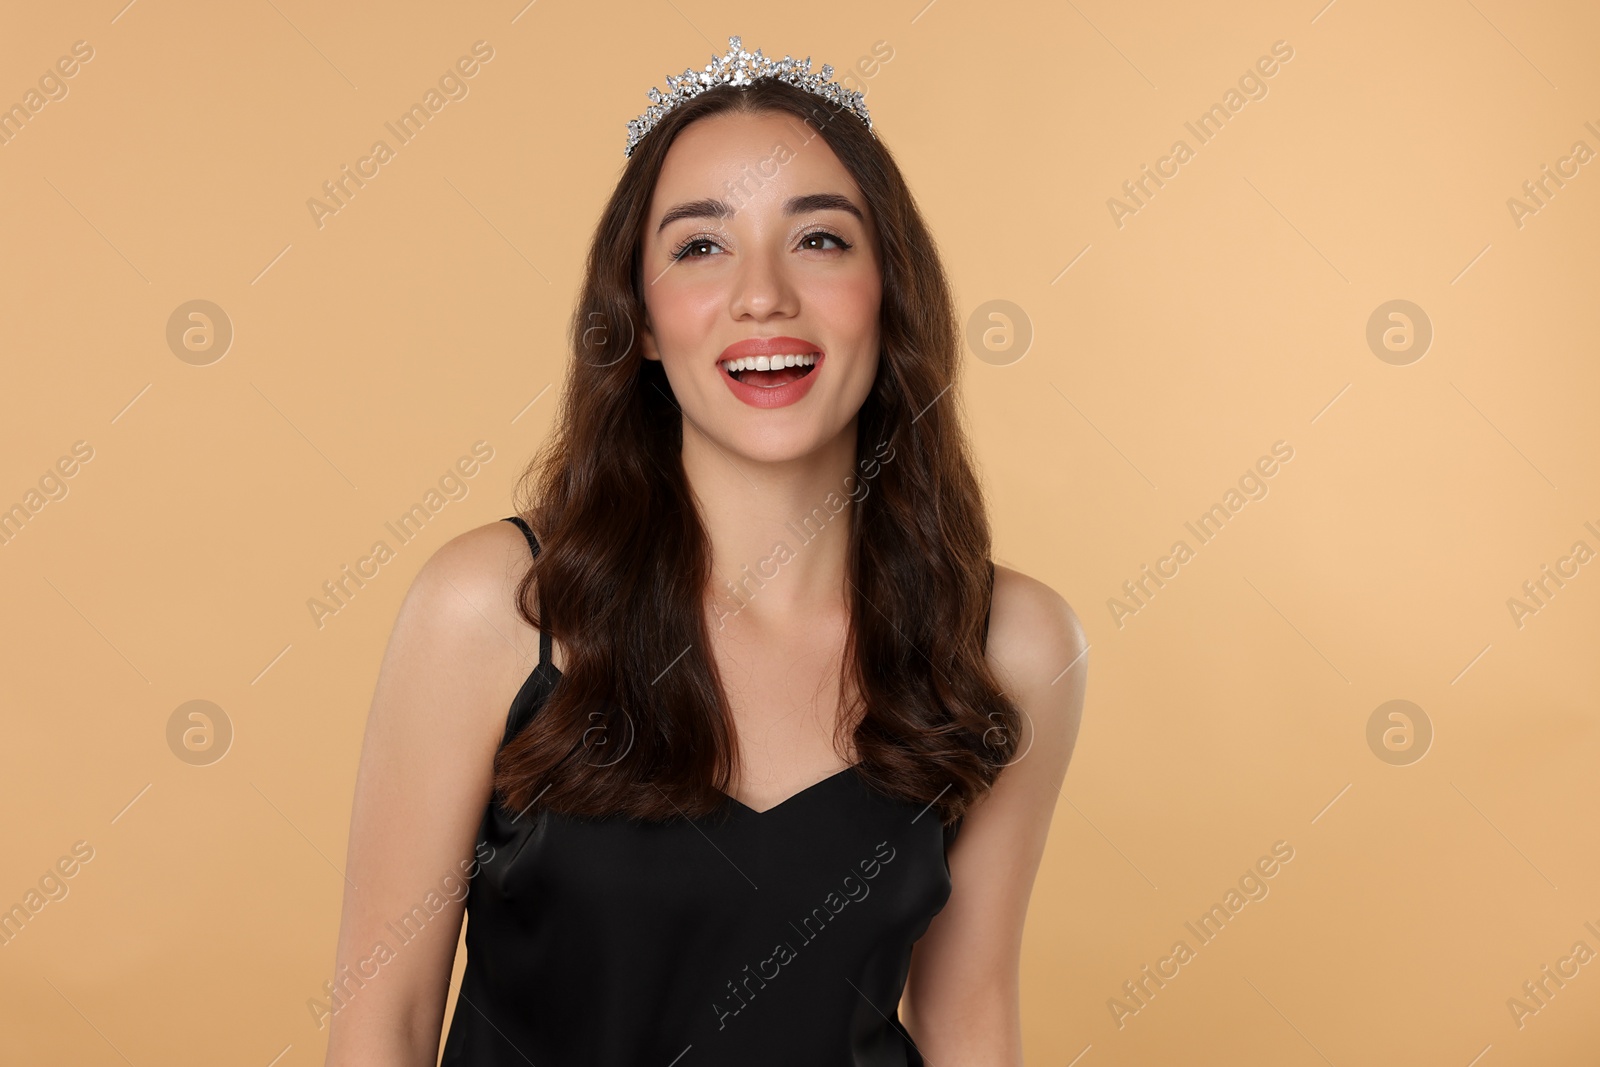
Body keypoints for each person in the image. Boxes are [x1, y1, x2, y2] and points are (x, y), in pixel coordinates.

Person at [322, 35, 1087, 1067]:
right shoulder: (496, 608)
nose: (762, 293)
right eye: (699, 246)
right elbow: (383, 1028)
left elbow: (967, 1020)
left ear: (890, 289)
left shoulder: (1015, 643)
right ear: (637, 318)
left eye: (819, 239)